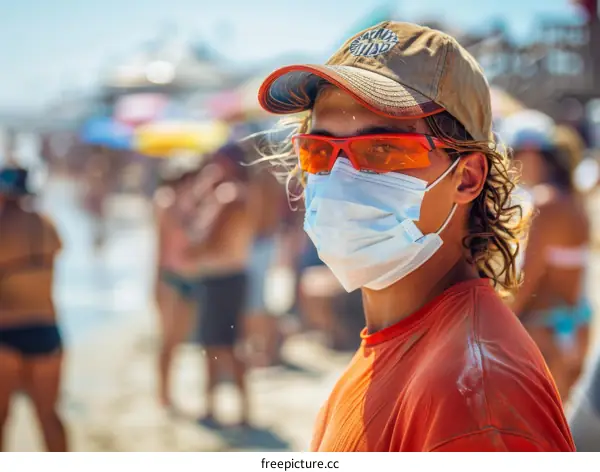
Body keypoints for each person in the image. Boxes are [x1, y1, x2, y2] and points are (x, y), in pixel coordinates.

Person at [256, 21, 575, 451]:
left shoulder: (475, 396)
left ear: (467, 178)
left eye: (382, 149)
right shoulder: (403, 342)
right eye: (319, 151)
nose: (342, 176)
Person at [500, 110, 592, 401]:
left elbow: (525, 281)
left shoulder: (545, 202)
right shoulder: (571, 198)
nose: (509, 165)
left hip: (545, 334)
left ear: (531, 152)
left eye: (511, 154)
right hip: (572, 328)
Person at [184, 143, 256, 427]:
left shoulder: (228, 194)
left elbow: (202, 240)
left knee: (222, 345)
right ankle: (225, 408)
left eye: (217, 162)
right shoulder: (238, 192)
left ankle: (232, 409)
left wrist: (201, 193)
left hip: (222, 278)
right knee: (221, 344)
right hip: (231, 276)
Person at [0, 166, 67, 451]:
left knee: (1, 418)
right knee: (48, 415)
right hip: (46, 328)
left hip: (6, 329)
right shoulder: (46, 224)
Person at [153, 155, 205, 409]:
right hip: (170, 277)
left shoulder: (190, 203)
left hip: (188, 276)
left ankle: (167, 392)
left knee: (179, 339)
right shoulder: (167, 201)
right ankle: (163, 394)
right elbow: (166, 242)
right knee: (169, 340)